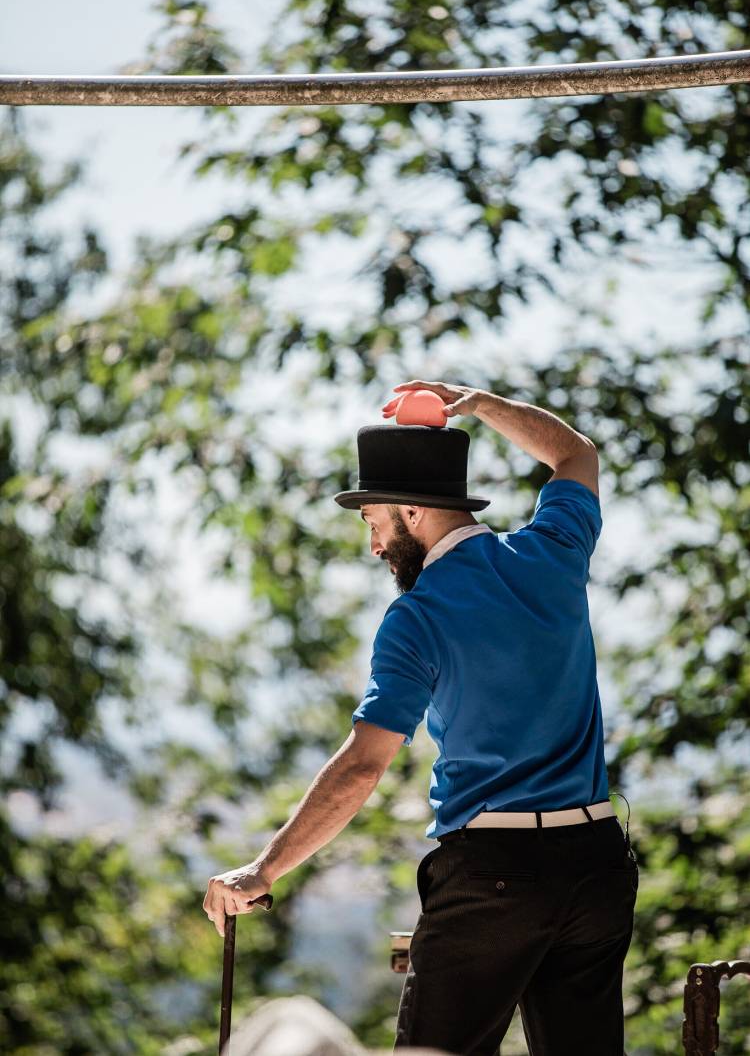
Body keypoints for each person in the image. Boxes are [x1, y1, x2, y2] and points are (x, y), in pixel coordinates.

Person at [202, 380, 638, 1056]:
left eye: (374, 523)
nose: (374, 547)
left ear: (413, 510)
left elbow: (363, 765)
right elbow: (576, 455)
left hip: (494, 877)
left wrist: (264, 869)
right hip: (599, 868)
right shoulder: (553, 553)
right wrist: (485, 404)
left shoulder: (419, 616)